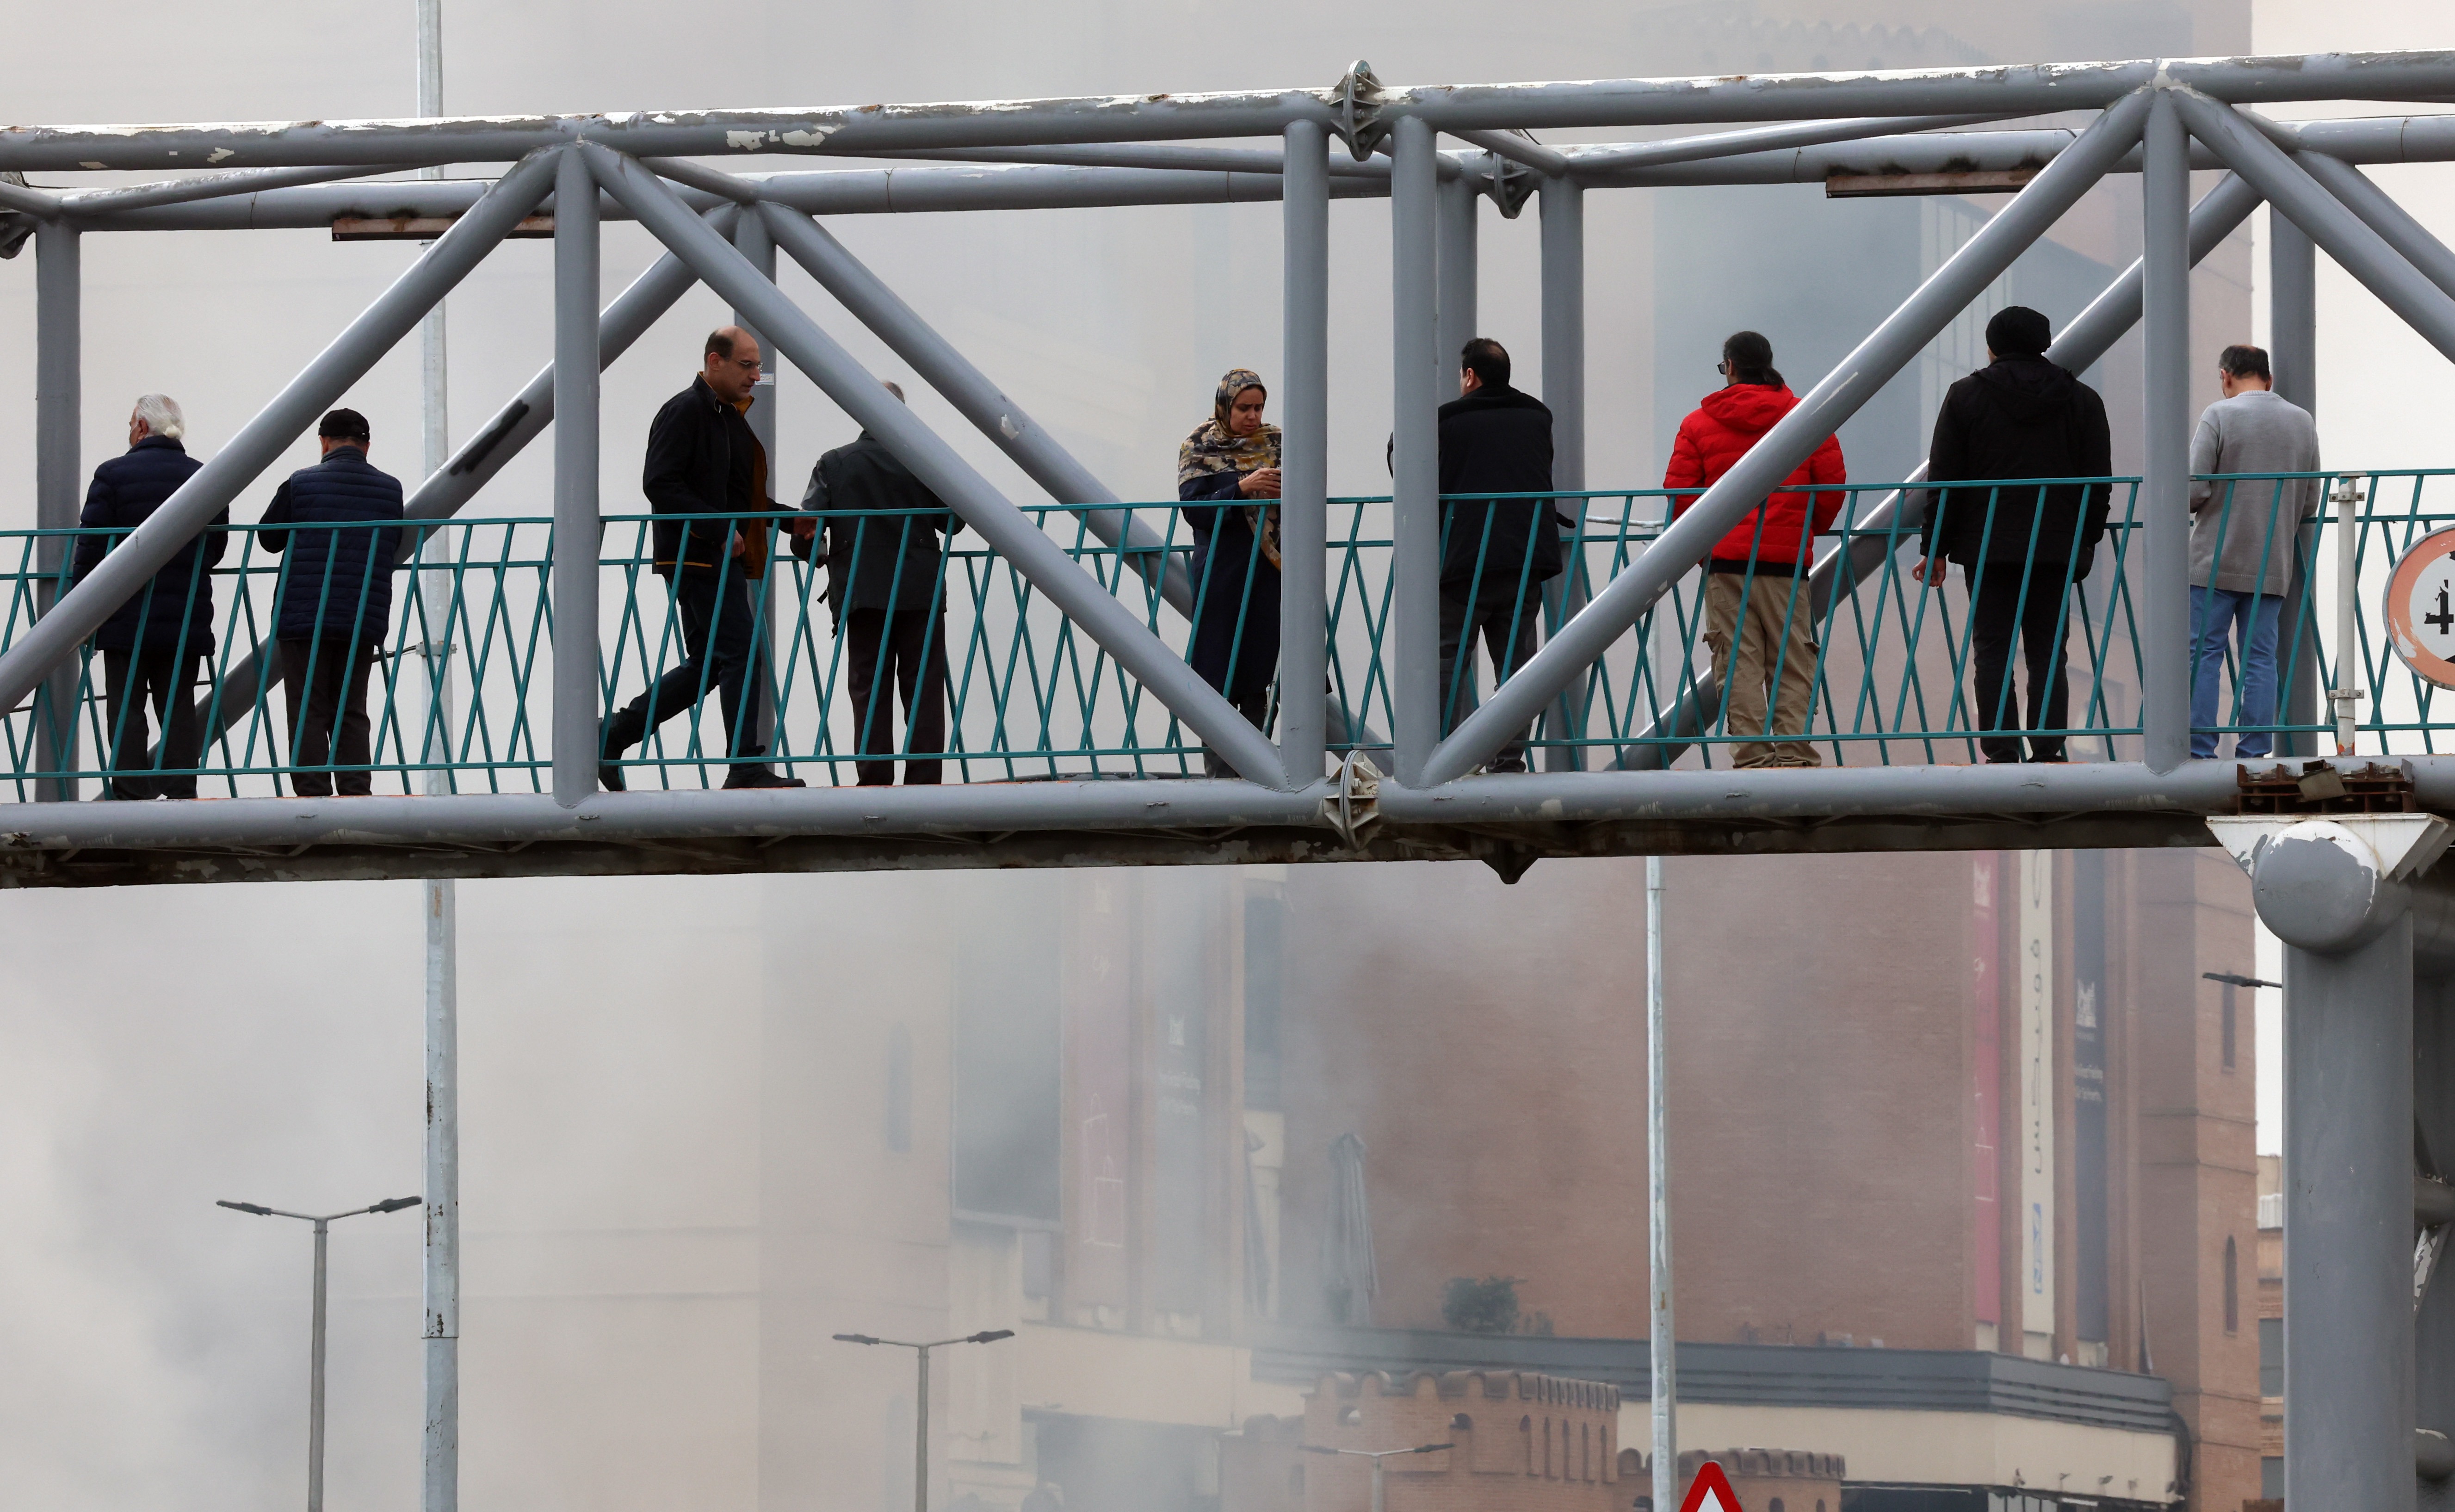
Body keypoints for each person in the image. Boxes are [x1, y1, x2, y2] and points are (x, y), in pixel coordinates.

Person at [599, 327, 801, 790]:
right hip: (696, 558)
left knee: (710, 664)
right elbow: (660, 483)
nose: (756, 374)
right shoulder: (686, 411)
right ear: (715, 361)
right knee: (741, 653)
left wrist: (793, 521)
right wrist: (717, 529)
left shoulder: (726, 417)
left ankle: (614, 734)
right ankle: (745, 766)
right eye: (747, 365)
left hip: (712, 556)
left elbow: (740, 500)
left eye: (758, 366)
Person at [1915, 306, 2113, 764]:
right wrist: (2086, 537)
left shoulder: (1964, 397)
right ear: (2044, 342)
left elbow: (1945, 479)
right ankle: (2048, 748)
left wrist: (1936, 547)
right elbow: (2097, 480)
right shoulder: (2083, 400)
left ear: (1992, 346)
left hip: (1986, 547)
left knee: (1993, 650)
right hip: (2055, 548)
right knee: (2048, 652)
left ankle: (2001, 750)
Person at [1664, 332, 1846, 768]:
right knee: (1791, 659)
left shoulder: (1697, 424)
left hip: (1726, 564)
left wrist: (1702, 551)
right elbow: (1832, 486)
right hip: (1785, 563)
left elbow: (1680, 495)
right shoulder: (1806, 416)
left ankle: (1751, 758)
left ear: (1729, 365)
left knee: (1736, 660)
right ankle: (1795, 755)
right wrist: (1805, 531)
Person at [792, 380, 963, 786]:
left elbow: (807, 531)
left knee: (869, 689)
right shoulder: (923, 461)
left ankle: (874, 782)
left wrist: (815, 554)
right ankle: (924, 781)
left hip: (862, 591)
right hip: (918, 588)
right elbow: (953, 521)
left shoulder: (833, 463)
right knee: (922, 690)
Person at [72, 394, 222, 799]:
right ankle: (180, 789)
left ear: (140, 427)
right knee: (176, 707)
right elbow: (215, 548)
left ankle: (129, 793)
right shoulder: (204, 476)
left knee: (126, 708)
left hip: (125, 615)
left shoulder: (113, 474)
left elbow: (91, 547)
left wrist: (78, 609)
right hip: (184, 614)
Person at [2187, 344, 2321, 759]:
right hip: (2272, 561)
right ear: (2269, 379)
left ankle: (2199, 749)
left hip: (2213, 560)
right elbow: (2309, 501)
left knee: (2203, 654)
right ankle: (2254, 750)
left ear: (2225, 376)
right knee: (2260, 657)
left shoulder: (2219, 414)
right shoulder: (2302, 422)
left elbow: (2192, 488)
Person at [260, 408, 402, 797]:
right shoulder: (391, 489)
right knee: (352, 709)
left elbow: (268, 537)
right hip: (361, 615)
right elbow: (395, 541)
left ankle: (312, 792)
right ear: (367, 446)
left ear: (323, 442)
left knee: (308, 706)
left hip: (306, 615)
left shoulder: (301, 483)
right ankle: (356, 790)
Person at [1436, 337, 1557, 772]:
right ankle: (1507, 759)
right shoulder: (1537, 415)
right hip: (1524, 557)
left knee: (1445, 660)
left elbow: (1409, 473)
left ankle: (1444, 759)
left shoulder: (1445, 420)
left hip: (1461, 561)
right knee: (1517, 665)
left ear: (1469, 375)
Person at [1176, 368, 1282, 777]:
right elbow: (1194, 511)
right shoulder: (1199, 446)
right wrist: (1243, 487)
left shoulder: (1274, 442)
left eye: (1258, 407)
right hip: (1222, 571)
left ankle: (1257, 769)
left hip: (1268, 572)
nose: (1253, 416)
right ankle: (1220, 773)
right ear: (1226, 405)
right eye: (1244, 408)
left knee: (1259, 674)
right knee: (1218, 673)